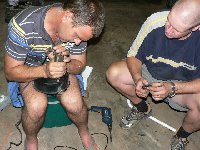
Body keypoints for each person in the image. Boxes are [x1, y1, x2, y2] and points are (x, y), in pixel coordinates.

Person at [4, 0, 105, 149]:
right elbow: (11, 72)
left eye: (82, 40)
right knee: (36, 106)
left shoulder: (80, 29)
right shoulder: (23, 25)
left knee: (75, 103)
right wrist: (44, 70)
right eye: (76, 36)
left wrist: (65, 65)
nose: (77, 42)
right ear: (67, 16)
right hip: (29, 70)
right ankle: (31, 139)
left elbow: (79, 65)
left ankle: (84, 132)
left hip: (62, 70)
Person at [106, 0, 200, 149]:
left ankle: (181, 135)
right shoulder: (156, 21)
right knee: (114, 73)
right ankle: (142, 108)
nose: (168, 30)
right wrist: (137, 78)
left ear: (195, 27)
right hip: (150, 72)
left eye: (176, 29)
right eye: (169, 20)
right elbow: (133, 55)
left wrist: (172, 88)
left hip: (182, 85)